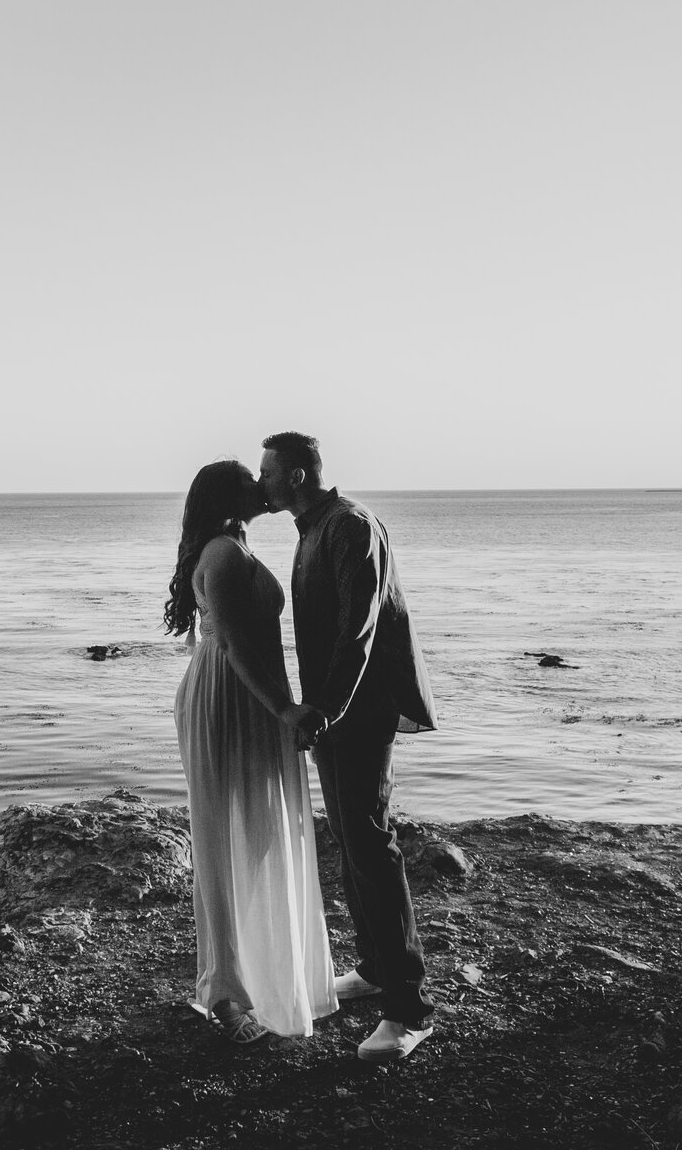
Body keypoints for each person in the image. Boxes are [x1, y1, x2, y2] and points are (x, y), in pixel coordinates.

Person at [259, 431, 440, 1061]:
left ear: (298, 478)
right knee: (348, 835)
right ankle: (375, 969)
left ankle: (410, 1010)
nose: (262, 483)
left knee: (370, 839)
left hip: (358, 712)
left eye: (269, 472)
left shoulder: (349, 526)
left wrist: (325, 712)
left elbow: (358, 632)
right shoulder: (314, 528)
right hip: (336, 713)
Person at [165, 459, 337, 1042]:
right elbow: (235, 647)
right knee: (221, 838)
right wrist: (286, 710)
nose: (260, 486)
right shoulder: (221, 552)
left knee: (259, 836)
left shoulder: (231, 545)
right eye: (248, 479)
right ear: (226, 496)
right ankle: (225, 994)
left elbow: (215, 632)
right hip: (231, 697)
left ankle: (259, 971)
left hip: (244, 694)